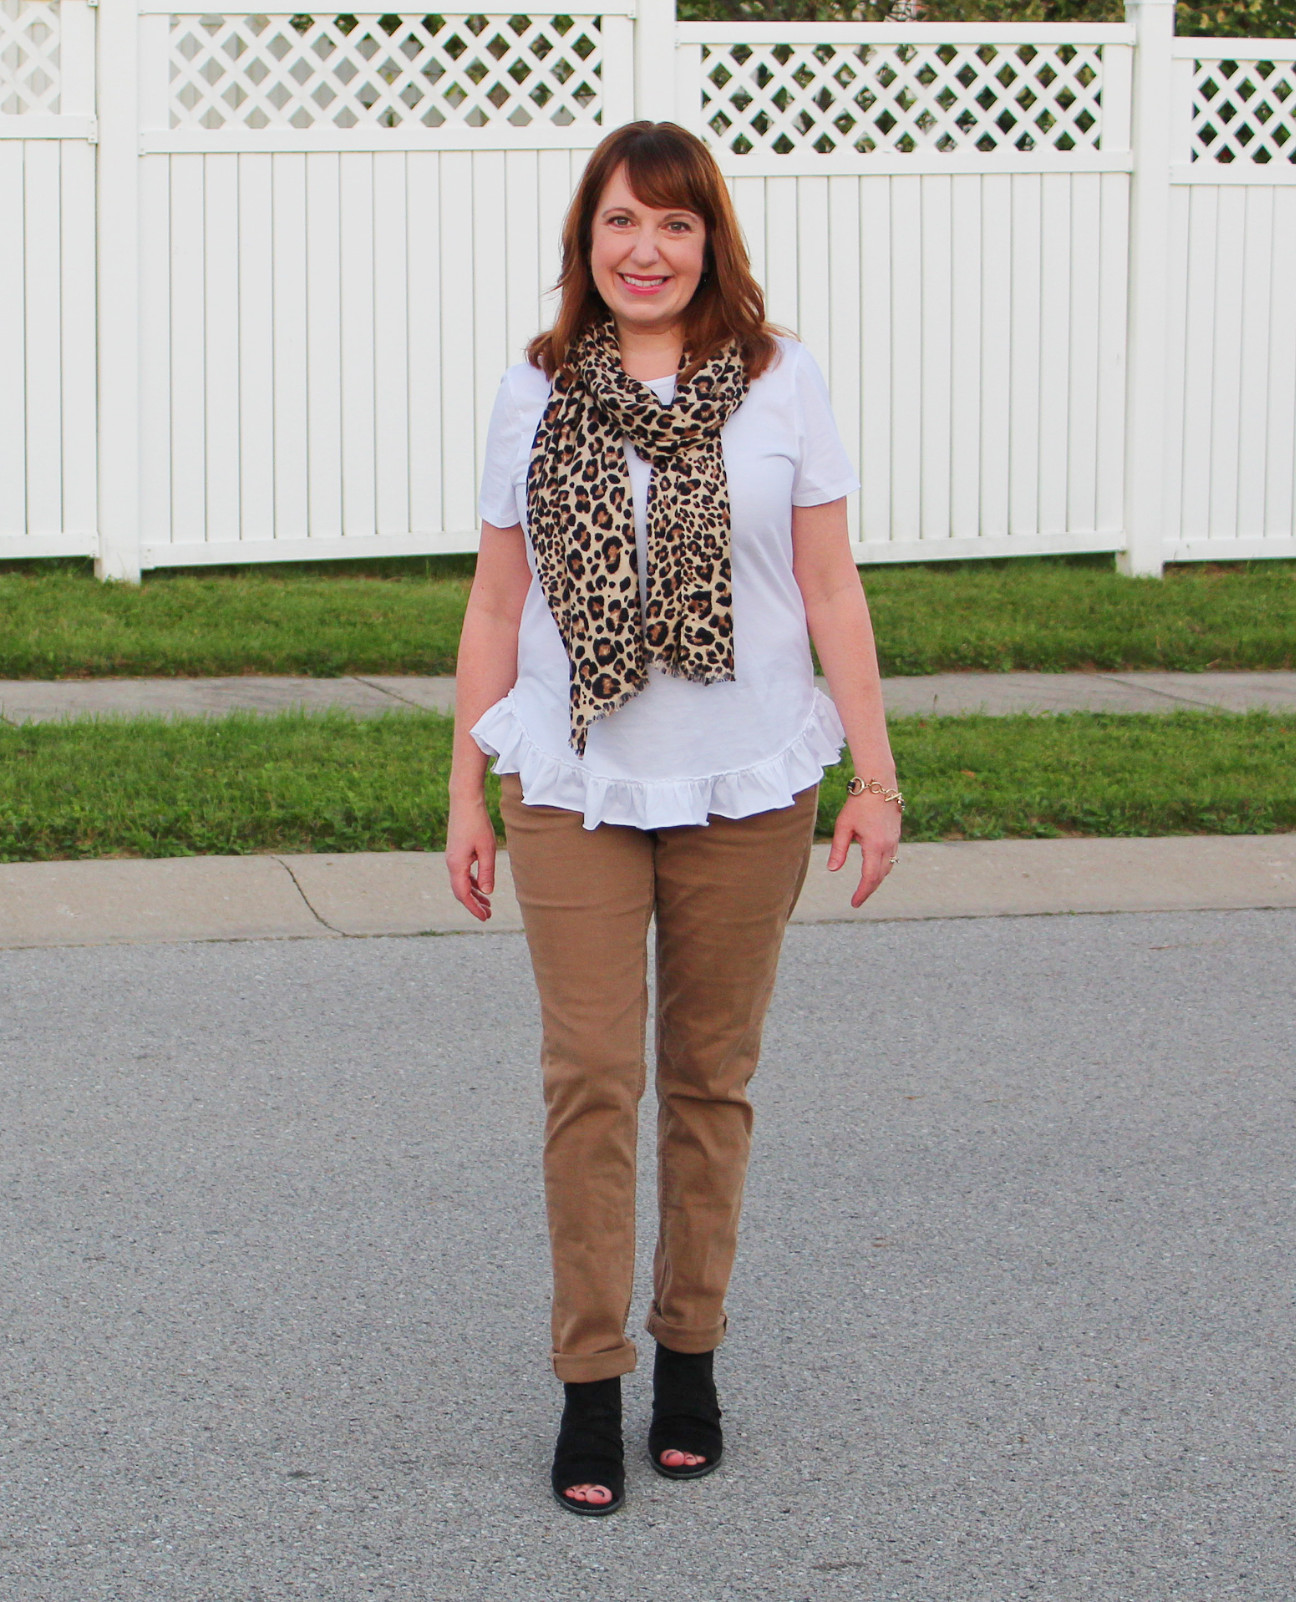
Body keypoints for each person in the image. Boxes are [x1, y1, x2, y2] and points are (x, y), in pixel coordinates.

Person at [445, 120, 902, 1517]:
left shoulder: (781, 384)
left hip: (747, 778)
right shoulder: (535, 393)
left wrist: (875, 775)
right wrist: (463, 785)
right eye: (618, 224)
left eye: (673, 224)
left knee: (709, 1078)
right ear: (584, 244)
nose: (645, 249)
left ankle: (687, 1358)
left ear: (711, 240)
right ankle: (591, 1383)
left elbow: (829, 590)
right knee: (590, 1078)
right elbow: (493, 604)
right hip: (573, 778)